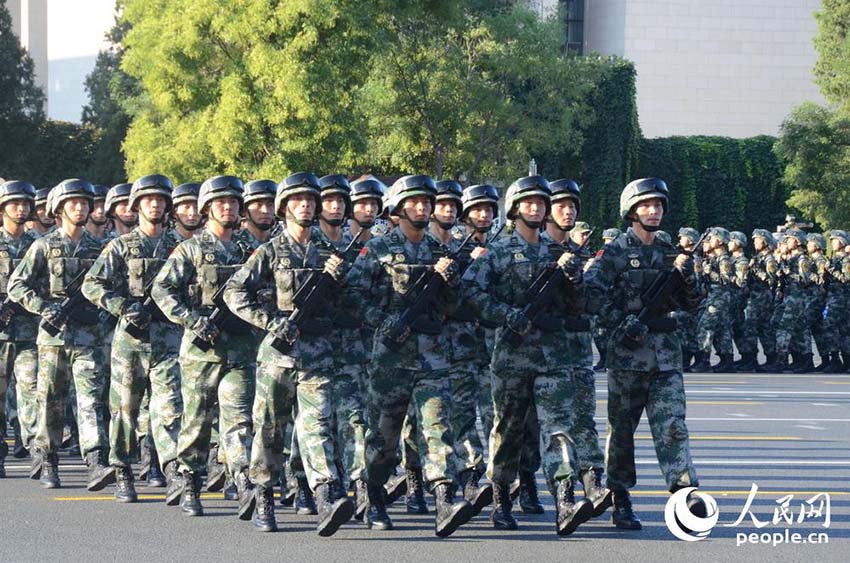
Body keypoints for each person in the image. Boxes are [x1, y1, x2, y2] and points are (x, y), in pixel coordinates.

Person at [223, 172, 354, 535]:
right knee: (270, 429)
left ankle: (326, 494)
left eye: (311, 200)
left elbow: (350, 304)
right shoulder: (269, 252)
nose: (306, 206)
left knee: (318, 425)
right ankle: (263, 493)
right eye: (298, 200)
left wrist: (341, 281)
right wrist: (269, 321)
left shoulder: (330, 255)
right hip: (277, 359)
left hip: (318, 356)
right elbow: (234, 293)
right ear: (284, 208)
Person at [463, 175, 593, 535]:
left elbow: (579, 307)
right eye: (529, 203)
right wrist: (506, 315)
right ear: (515, 208)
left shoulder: (558, 254)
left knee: (558, 428)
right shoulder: (499, 251)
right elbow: (470, 291)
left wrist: (574, 279)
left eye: (541, 202)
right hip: (511, 358)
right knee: (508, 431)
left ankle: (565, 501)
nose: (536, 208)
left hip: (553, 356)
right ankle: (502, 498)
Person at [345, 174, 474, 537]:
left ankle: (445, 499)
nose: (423, 207)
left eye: (427, 202)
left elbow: (454, 305)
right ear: (399, 208)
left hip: (433, 358)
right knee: (383, 439)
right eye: (415, 202)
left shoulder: (440, 252)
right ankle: (373, 494)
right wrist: (382, 322)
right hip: (390, 360)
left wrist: (450, 282)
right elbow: (354, 295)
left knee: (437, 428)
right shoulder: (379, 250)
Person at [584, 177, 706, 531]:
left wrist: (689, 276)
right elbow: (592, 296)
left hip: (666, 358)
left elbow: (694, 303)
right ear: (632, 211)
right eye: (646, 206)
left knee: (673, 428)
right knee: (621, 432)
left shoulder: (670, 252)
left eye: (658, 206)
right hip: (627, 359)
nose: (654, 211)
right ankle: (619, 498)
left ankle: (684, 493)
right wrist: (620, 325)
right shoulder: (616, 252)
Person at [152, 176, 256, 518]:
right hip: (201, 351)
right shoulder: (191, 249)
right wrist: (191, 319)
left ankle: (243, 481)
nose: (228, 207)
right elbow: (162, 290)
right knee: (196, 421)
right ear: (208, 208)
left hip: (240, 349)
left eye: (233, 202)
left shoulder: (248, 250)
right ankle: (190, 480)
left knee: (238, 419)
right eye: (221, 202)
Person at [82, 175, 184, 503]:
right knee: (125, 409)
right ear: (136, 205)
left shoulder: (180, 246)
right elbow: (92, 284)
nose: (155, 204)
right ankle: (123, 468)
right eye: (148, 199)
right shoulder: (123, 246)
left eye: (160, 199)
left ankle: (172, 470)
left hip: (169, 339)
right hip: (131, 341)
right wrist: (123, 306)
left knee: (169, 408)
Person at [7, 179, 113, 491]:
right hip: (53, 340)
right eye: (73, 203)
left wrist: (104, 313)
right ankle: (47, 457)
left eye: (84, 202)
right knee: (50, 401)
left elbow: (114, 289)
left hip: (89, 339)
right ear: (60, 209)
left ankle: (96, 461)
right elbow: (17, 285)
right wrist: (43, 307)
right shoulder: (43, 246)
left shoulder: (100, 249)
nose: (80, 208)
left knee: (91, 400)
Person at [0, 181, 41, 476]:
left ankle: (37, 450)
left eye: (26, 203)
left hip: (29, 330)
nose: (22, 208)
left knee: (33, 389)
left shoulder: (37, 243)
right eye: (15, 203)